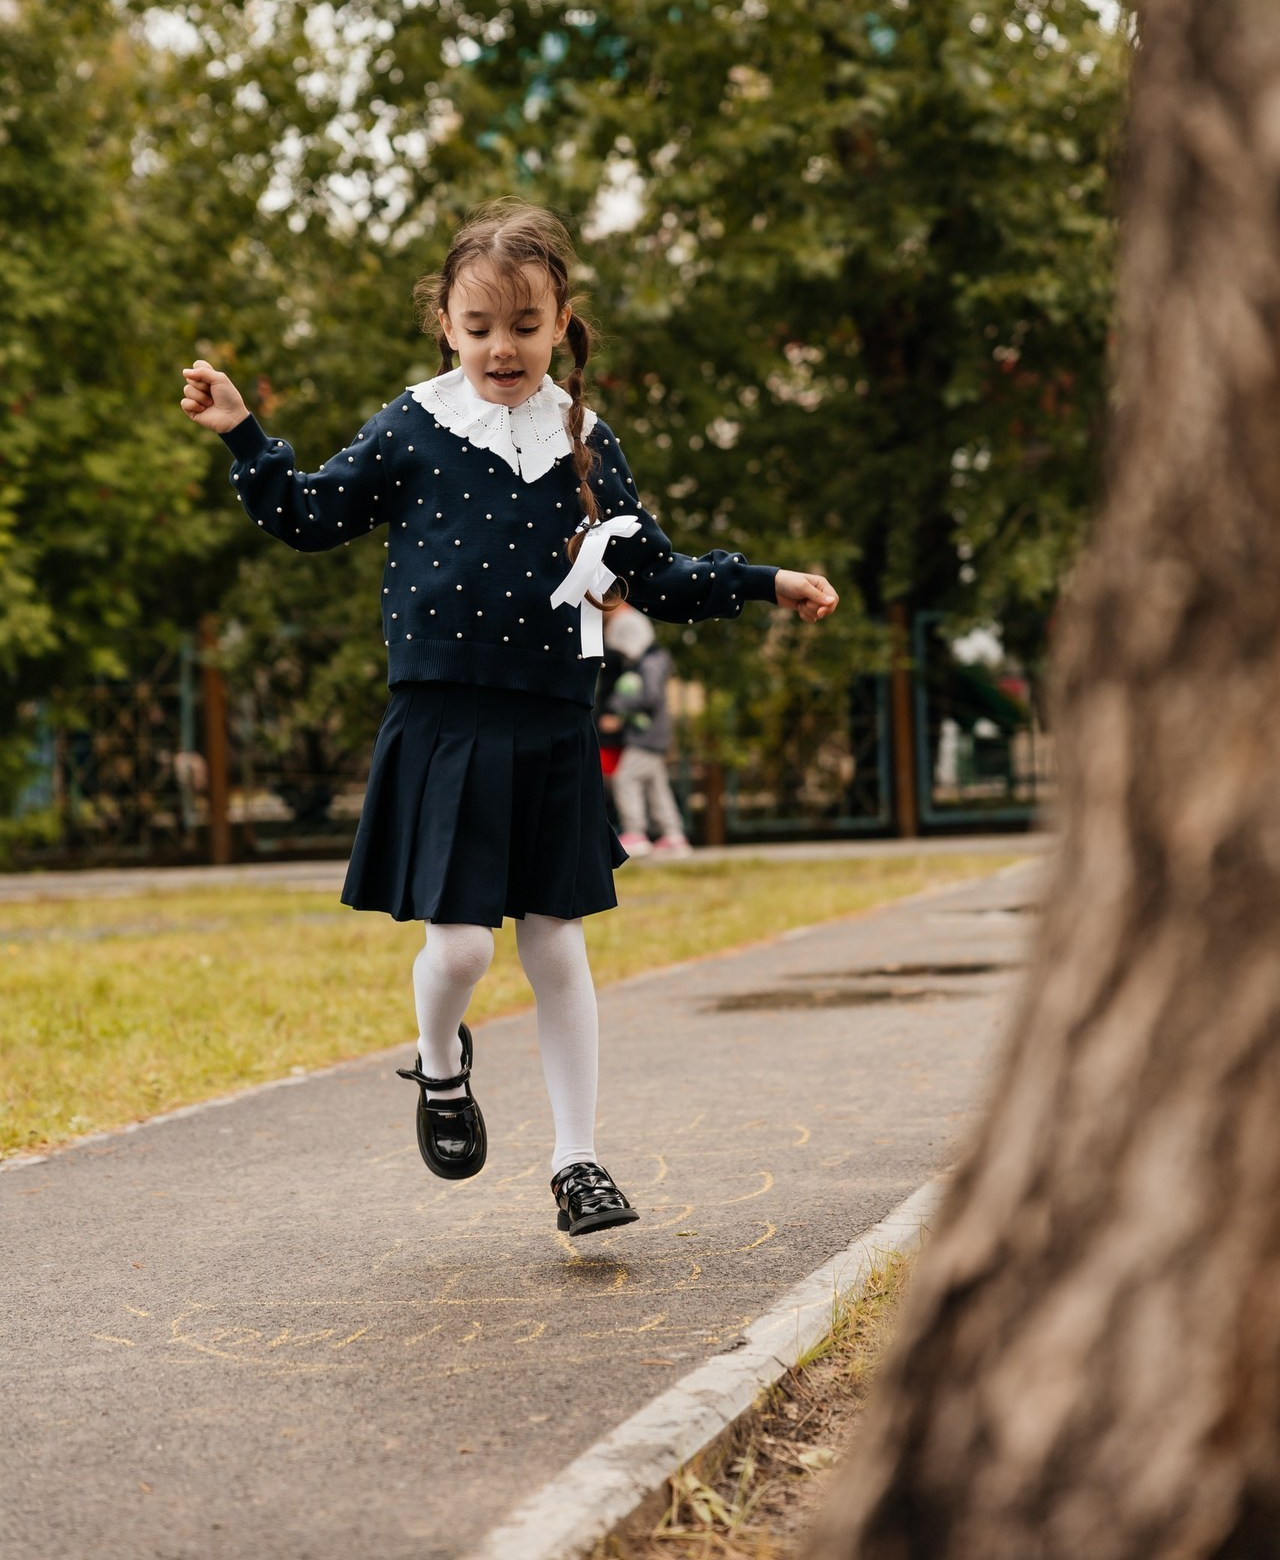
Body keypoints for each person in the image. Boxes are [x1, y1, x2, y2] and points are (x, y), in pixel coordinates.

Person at [180, 200, 838, 1238]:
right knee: (457, 956)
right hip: (443, 719)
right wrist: (244, 436)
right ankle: (441, 1066)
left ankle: (577, 1161)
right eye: (480, 325)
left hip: (551, 722)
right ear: (445, 321)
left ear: (560, 321)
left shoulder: (586, 441)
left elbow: (652, 572)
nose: (502, 347)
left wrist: (764, 581)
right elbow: (307, 517)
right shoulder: (412, 424)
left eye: (524, 327)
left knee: (555, 946)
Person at [600, 604, 689, 856]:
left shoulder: (649, 663)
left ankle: (635, 831)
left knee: (625, 778)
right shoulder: (653, 661)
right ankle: (673, 834)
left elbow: (648, 696)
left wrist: (618, 709)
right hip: (653, 735)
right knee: (655, 784)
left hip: (646, 735)